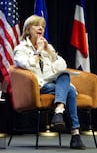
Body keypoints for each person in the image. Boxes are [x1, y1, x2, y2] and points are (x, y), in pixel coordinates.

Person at [13, 14, 86, 150]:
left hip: (52, 84)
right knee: (69, 90)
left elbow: (62, 66)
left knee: (65, 77)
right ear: (28, 30)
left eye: (43, 26)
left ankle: (59, 111)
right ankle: (75, 134)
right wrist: (39, 51)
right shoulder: (20, 49)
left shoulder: (48, 47)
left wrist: (50, 53)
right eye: (37, 25)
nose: (40, 28)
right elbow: (27, 65)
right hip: (36, 87)